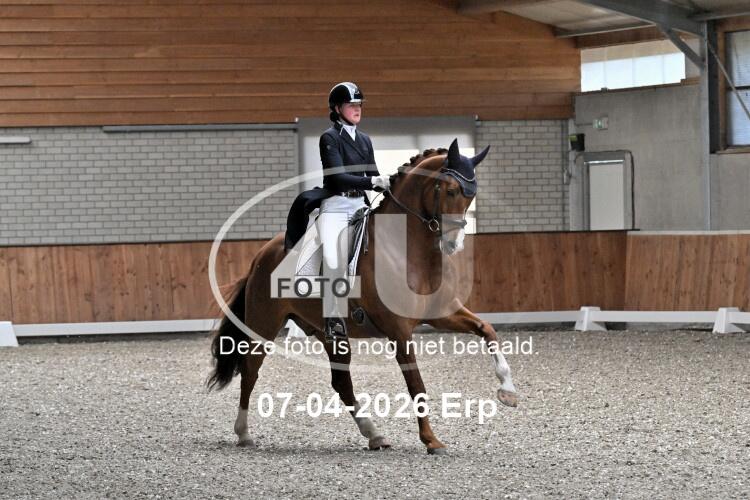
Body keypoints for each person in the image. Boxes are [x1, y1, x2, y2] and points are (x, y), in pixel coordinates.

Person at [318, 82, 390, 342]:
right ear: (338, 109)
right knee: (335, 256)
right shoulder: (329, 138)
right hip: (337, 205)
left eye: (359, 105)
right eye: (351, 105)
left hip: (360, 204)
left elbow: (373, 173)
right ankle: (332, 317)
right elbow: (337, 178)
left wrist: (391, 182)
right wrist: (372, 182)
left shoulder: (365, 139)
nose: (357, 109)